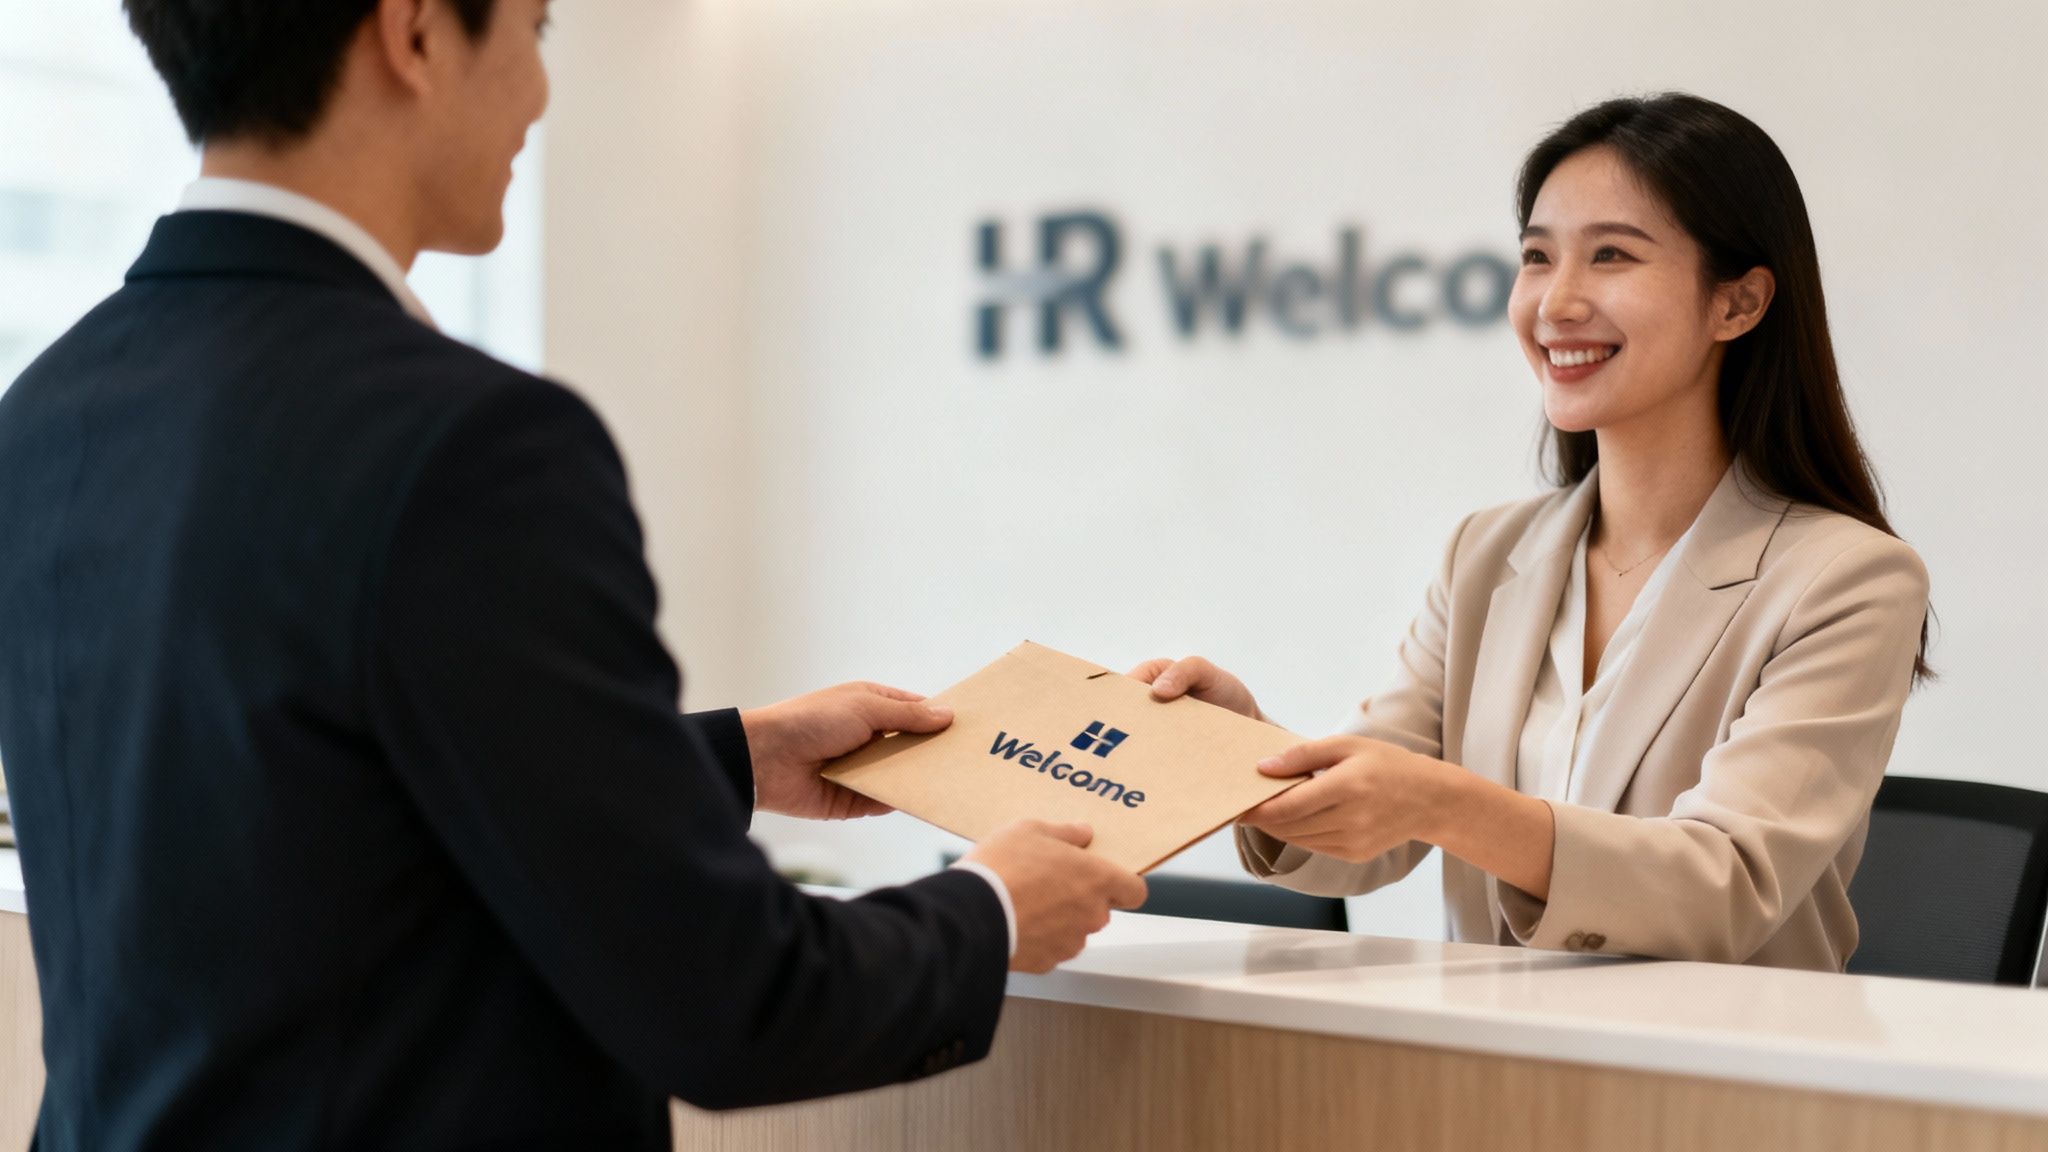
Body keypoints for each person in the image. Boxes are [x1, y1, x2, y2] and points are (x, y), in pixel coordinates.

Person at [0, 0, 1146, 1147]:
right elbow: (729, 1001)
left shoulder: (44, 414)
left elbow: (290, 813)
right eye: (535, 33)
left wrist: (729, 758)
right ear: (413, 34)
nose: (542, 96)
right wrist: (991, 908)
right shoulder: (467, 444)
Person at [1137, 93, 1930, 973]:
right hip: (1502, 1072)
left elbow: (1724, 886)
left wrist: (1445, 805)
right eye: (1536, 257)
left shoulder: (1848, 578)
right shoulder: (1487, 555)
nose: (1556, 302)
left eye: (1612, 256)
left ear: (1737, 304)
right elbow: (1370, 830)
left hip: (1723, 1086)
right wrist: (1238, 751)